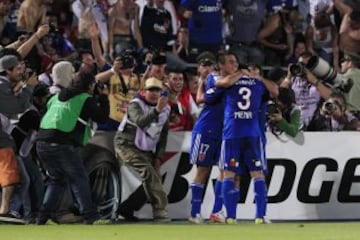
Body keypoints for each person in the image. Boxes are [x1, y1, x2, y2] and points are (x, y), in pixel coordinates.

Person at [35, 72, 109, 225]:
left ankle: (43, 217)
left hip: (41, 142)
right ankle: (91, 216)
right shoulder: (85, 99)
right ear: (90, 86)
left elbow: (44, 114)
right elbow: (101, 117)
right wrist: (103, 97)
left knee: (57, 180)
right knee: (79, 178)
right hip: (63, 144)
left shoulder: (54, 97)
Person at [215, 57, 278, 224]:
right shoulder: (257, 84)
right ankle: (260, 216)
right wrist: (258, 78)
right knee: (257, 174)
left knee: (229, 173)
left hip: (232, 133)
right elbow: (275, 91)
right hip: (252, 133)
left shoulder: (230, 82)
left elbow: (220, 84)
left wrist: (240, 76)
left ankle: (230, 217)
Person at [114, 77, 171, 222]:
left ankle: (127, 208)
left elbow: (163, 135)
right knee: (148, 171)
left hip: (145, 149)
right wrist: (157, 109)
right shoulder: (135, 104)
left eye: (157, 90)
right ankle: (160, 212)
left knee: (154, 176)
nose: (153, 93)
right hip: (125, 144)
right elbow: (140, 121)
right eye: (150, 90)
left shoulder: (166, 109)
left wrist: (158, 157)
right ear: (143, 91)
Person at [188, 52, 229, 224]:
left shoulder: (220, 79)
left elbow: (199, 98)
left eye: (209, 64)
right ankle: (194, 212)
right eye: (203, 65)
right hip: (206, 130)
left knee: (224, 171)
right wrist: (204, 81)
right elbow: (200, 99)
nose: (207, 68)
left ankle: (216, 212)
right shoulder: (214, 78)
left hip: (222, 131)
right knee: (203, 170)